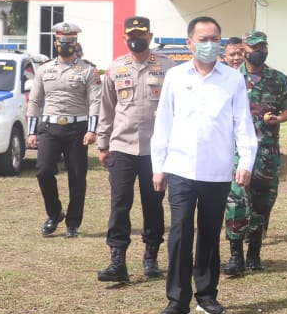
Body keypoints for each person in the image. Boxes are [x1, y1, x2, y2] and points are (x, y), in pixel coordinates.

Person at [152, 16, 257, 314]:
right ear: (190, 43)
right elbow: (164, 124)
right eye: (203, 39)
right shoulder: (174, 76)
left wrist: (246, 162)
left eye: (215, 39)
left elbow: (243, 126)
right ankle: (177, 302)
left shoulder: (233, 79)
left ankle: (207, 296)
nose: (210, 45)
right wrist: (158, 166)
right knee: (181, 232)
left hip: (218, 170)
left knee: (210, 234)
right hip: (181, 167)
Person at [94, 16, 176, 283]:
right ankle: (117, 259)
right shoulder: (115, 68)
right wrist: (103, 144)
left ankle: (151, 256)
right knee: (120, 204)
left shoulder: (168, 68)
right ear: (124, 38)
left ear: (150, 37)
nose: (136, 38)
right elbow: (106, 109)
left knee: (153, 204)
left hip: (156, 150)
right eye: (131, 34)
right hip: (122, 147)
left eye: (141, 34)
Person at [223, 30, 287, 275]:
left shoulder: (279, 79)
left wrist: (277, 118)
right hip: (236, 153)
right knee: (235, 201)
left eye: (262, 47)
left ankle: (254, 252)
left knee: (263, 203)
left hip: (267, 152)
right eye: (253, 47)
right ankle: (235, 255)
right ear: (244, 50)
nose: (258, 52)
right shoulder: (229, 78)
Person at [27, 22, 102, 238]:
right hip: (49, 127)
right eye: (62, 42)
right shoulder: (44, 69)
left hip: (77, 128)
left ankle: (73, 222)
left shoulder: (88, 70)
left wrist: (92, 130)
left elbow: (95, 101)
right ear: (55, 43)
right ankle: (54, 213)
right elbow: (35, 101)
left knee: (77, 176)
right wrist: (32, 131)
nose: (66, 45)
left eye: (70, 42)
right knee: (43, 170)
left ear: (75, 43)